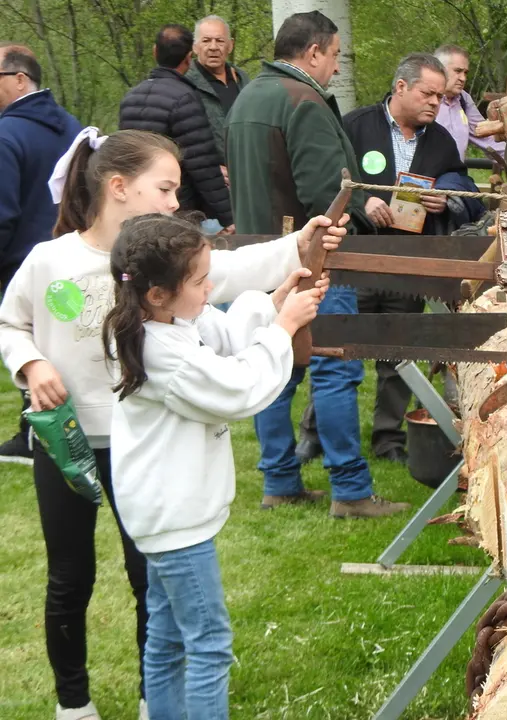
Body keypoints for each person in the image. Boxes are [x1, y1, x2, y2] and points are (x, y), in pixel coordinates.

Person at [0, 127, 345, 720]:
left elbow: (220, 288)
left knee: (155, 607)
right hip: (82, 447)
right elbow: (232, 377)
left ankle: (150, 702)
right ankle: (73, 702)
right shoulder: (59, 264)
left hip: (145, 475)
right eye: (165, 188)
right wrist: (30, 364)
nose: (172, 199)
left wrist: (290, 263)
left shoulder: (163, 291)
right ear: (118, 187)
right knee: (80, 579)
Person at [103, 214, 334, 719]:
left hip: (162, 516)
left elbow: (225, 338)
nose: (211, 288)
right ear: (159, 293)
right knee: (208, 644)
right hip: (177, 523)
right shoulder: (163, 351)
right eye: (201, 281)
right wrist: (286, 326)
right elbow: (237, 387)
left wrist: (274, 303)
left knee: (166, 643)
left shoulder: (167, 320)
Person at [227, 10, 409, 517]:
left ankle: (280, 481)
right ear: (313, 53)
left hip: (260, 255)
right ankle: (350, 491)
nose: (334, 68)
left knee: (275, 367)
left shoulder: (248, 96)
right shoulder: (302, 100)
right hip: (310, 258)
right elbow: (328, 192)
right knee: (334, 368)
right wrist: (361, 216)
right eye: (333, 57)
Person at [343, 52, 467, 463]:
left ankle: (387, 439)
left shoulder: (440, 139)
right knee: (339, 350)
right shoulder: (356, 127)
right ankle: (317, 432)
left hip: (407, 260)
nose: (435, 102)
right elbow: (330, 179)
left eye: (439, 95)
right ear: (401, 87)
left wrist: (445, 195)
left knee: (396, 351)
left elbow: (459, 178)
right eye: (427, 93)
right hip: (355, 254)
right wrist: (364, 200)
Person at [0, 42, 81, 465]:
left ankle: (37, 435)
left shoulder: (5, 133)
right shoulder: (72, 125)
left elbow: (1, 211)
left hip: (20, 263)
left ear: (18, 79)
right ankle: (44, 430)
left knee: (27, 347)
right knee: (64, 347)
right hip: (72, 256)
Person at [119, 24, 234, 232]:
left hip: (137, 205)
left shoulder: (130, 98)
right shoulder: (185, 98)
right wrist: (228, 216)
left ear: (155, 51)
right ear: (189, 57)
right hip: (177, 207)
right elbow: (202, 164)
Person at [185, 16, 249, 173]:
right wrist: (210, 169)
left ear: (230, 45)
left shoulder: (243, 79)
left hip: (248, 172)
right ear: (195, 46)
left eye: (220, 41)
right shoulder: (185, 84)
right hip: (209, 181)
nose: (213, 47)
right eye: (206, 41)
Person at [433, 44, 505, 163]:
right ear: (438, 69)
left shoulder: (463, 99)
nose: (463, 78)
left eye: (465, 72)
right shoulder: (422, 100)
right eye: (458, 71)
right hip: (424, 177)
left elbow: (487, 138)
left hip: (454, 176)